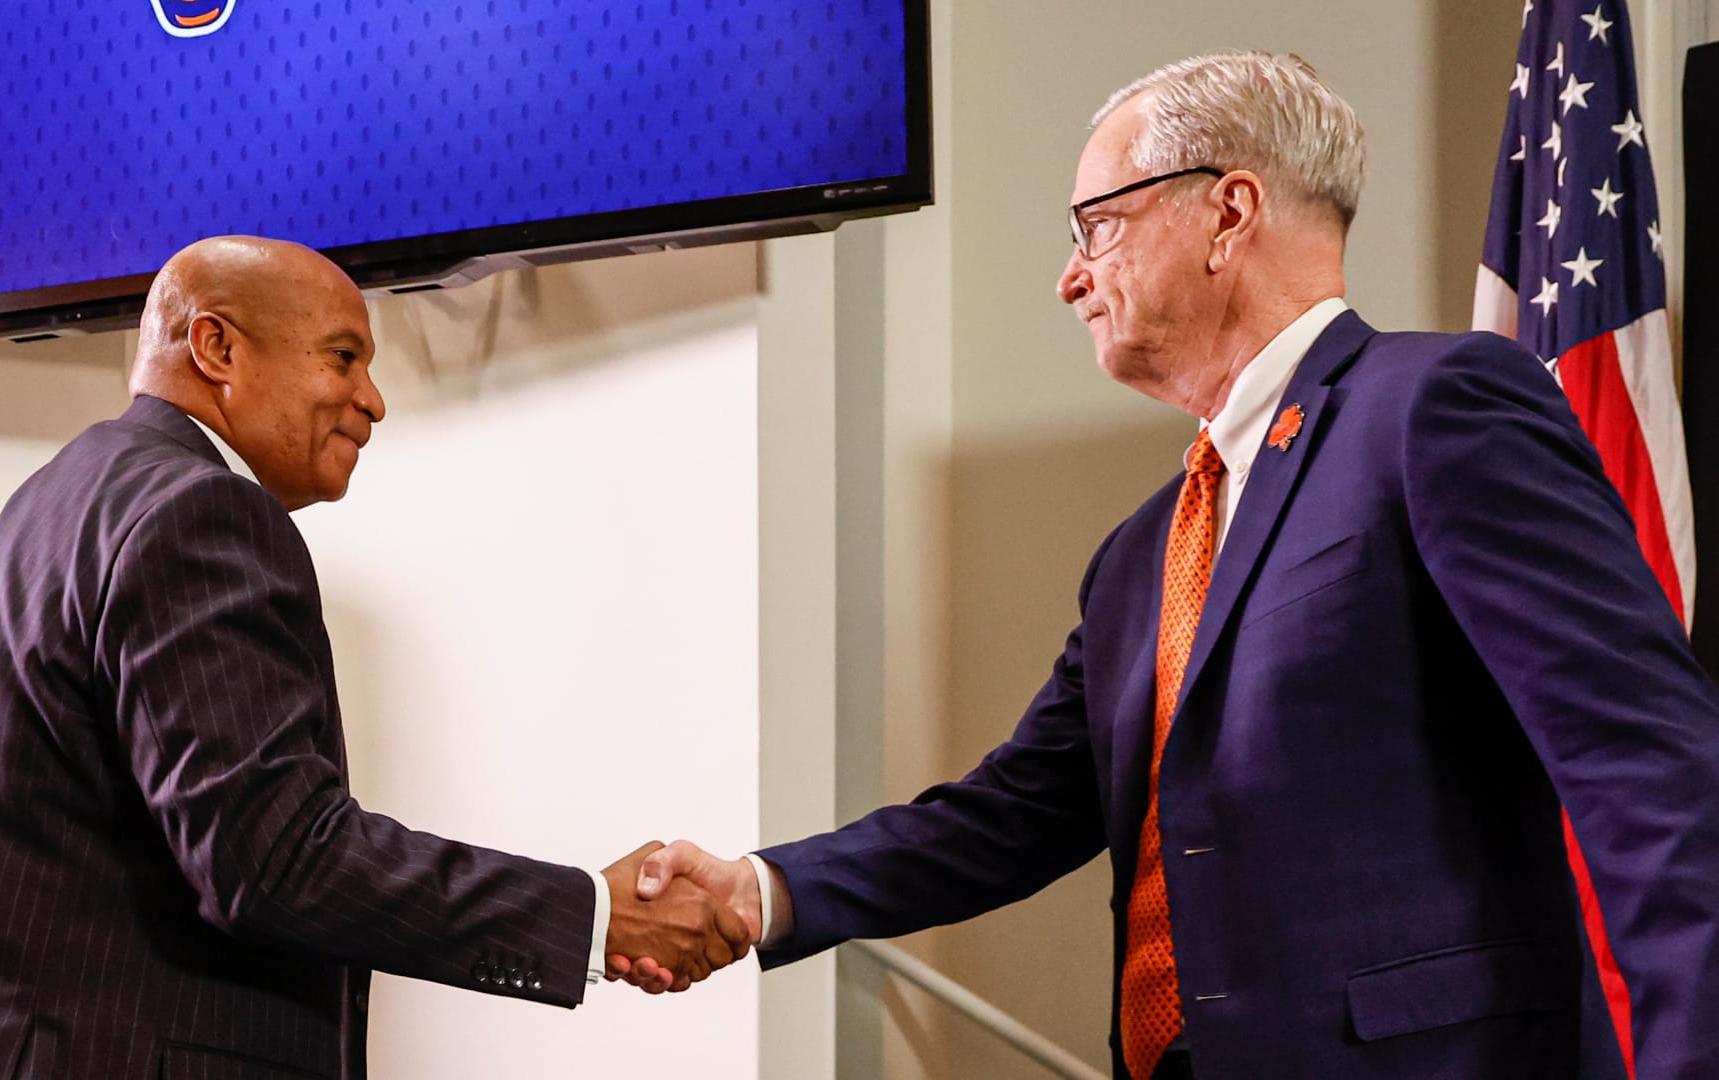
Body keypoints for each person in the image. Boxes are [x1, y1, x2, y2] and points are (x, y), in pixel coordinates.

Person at [614, 51, 1719, 1079]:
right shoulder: (1141, 552)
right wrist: (759, 893)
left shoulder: (1436, 409)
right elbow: (1014, 812)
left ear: (1226, 213)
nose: (1070, 279)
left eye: (1096, 226)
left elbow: (1645, 765)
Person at [0, 236, 748, 1079]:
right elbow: (272, 859)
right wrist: (591, 914)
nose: (373, 400)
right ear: (217, 349)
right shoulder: (196, 514)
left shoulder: (55, 507)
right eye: (344, 356)